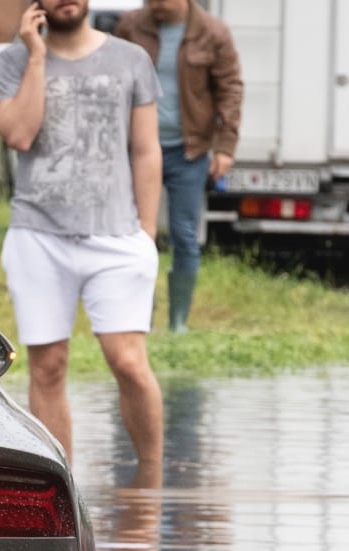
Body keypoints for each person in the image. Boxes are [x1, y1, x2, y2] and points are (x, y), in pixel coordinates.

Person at [0, 0, 164, 486]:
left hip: (117, 236)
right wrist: (36, 55)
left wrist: (146, 234)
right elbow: (20, 135)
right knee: (48, 368)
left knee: (128, 362)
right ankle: (61, 493)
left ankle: (150, 487)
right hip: (38, 235)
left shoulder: (131, 59)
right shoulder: (13, 60)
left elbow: (146, 150)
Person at [114, 0, 244, 334]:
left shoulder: (213, 32)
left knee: (184, 234)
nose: (154, 3)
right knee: (137, 235)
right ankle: (141, 319)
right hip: (138, 148)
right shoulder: (131, 26)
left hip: (189, 151)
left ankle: (178, 323)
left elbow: (230, 89)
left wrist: (225, 147)